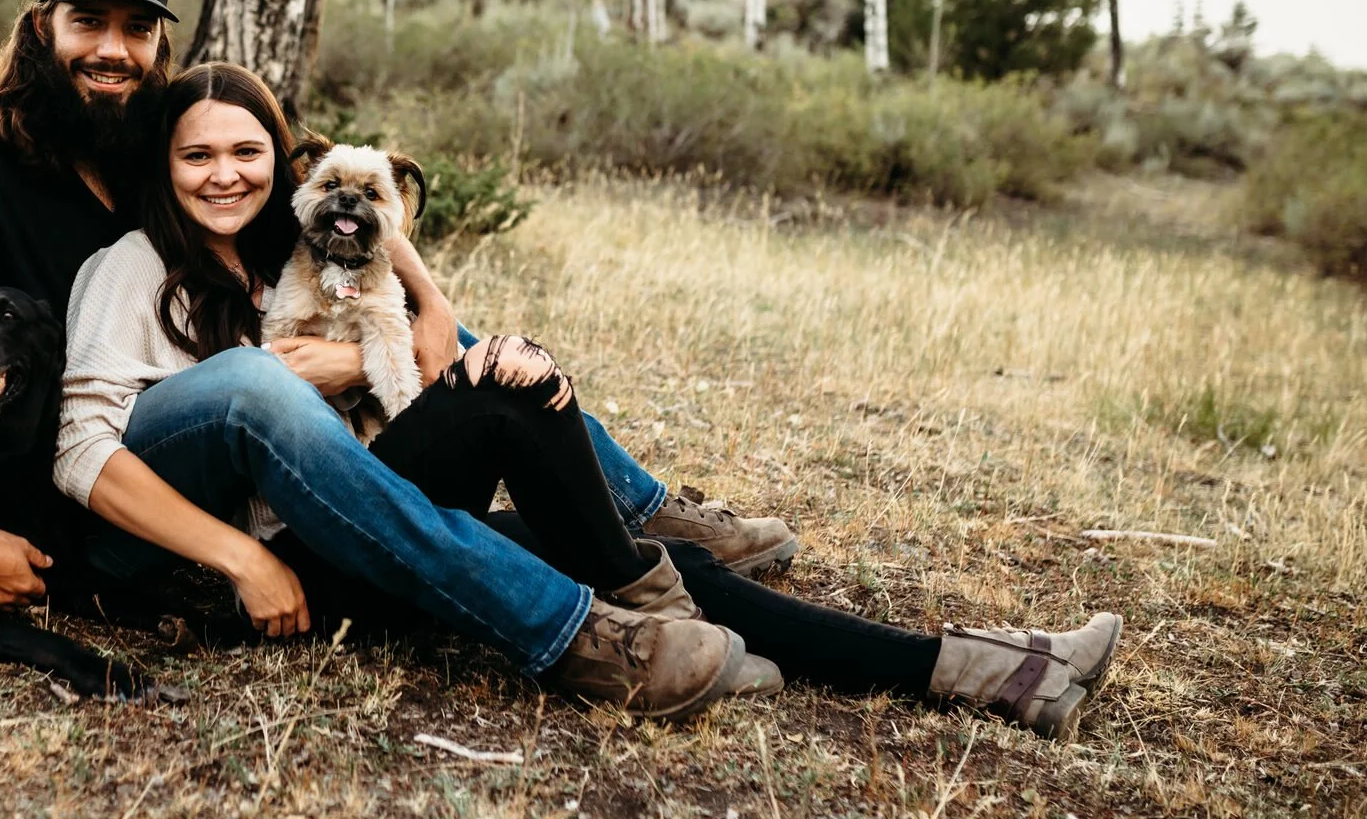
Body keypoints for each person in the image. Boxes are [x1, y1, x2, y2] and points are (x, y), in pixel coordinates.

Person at [57, 60, 1127, 739]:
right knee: (495, 396)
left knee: (526, 400)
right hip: (265, 571)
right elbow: (80, 451)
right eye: (196, 155)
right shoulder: (130, 267)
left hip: (356, 515)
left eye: (246, 152)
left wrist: (426, 317)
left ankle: (987, 672)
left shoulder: (291, 254)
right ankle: (627, 572)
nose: (223, 174)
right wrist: (240, 554)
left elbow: (384, 254)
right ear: (165, 165)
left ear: (280, 168)